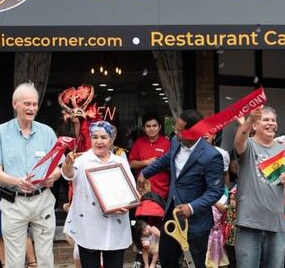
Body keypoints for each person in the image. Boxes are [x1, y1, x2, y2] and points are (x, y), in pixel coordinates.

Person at [0, 83, 63, 268]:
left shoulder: (47, 132)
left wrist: (52, 176)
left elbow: (58, 167)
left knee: (45, 257)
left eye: (35, 104)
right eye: (27, 104)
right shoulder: (0, 132)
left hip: (42, 199)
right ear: (15, 104)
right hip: (14, 202)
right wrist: (17, 181)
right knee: (14, 260)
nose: (32, 108)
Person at [137, 109, 225, 268]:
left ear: (194, 132)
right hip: (172, 212)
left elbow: (215, 191)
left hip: (195, 221)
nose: (175, 133)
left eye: (180, 130)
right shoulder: (176, 142)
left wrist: (192, 207)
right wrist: (144, 173)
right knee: (167, 258)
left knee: (195, 263)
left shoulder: (212, 156)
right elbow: (166, 159)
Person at [234, 106, 285, 268]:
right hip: (249, 222)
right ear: (255, 126)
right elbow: (238, 142)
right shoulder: (248, 145)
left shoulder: (284, 150)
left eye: (273, 120)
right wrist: (249, 120)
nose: (271, 123)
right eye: (266, 119)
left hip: (276, 224)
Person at [61, 121, 134, 268]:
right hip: (89, 225)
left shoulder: (120, 161)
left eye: (104, 137)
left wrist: (127, 205)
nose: (99, 141)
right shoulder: (81, 160)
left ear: (111, 140)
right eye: (95, 137)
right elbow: (68, 174)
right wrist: (68, 163)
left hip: (114, 224)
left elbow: (130, 190)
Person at [224, 187, 237, 268]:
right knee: (231, 259)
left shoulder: (243, 211)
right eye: (231, 199)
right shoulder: (228, 208)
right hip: (229, 239)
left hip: (238, 240)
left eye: (234, 199)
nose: (232, 202)